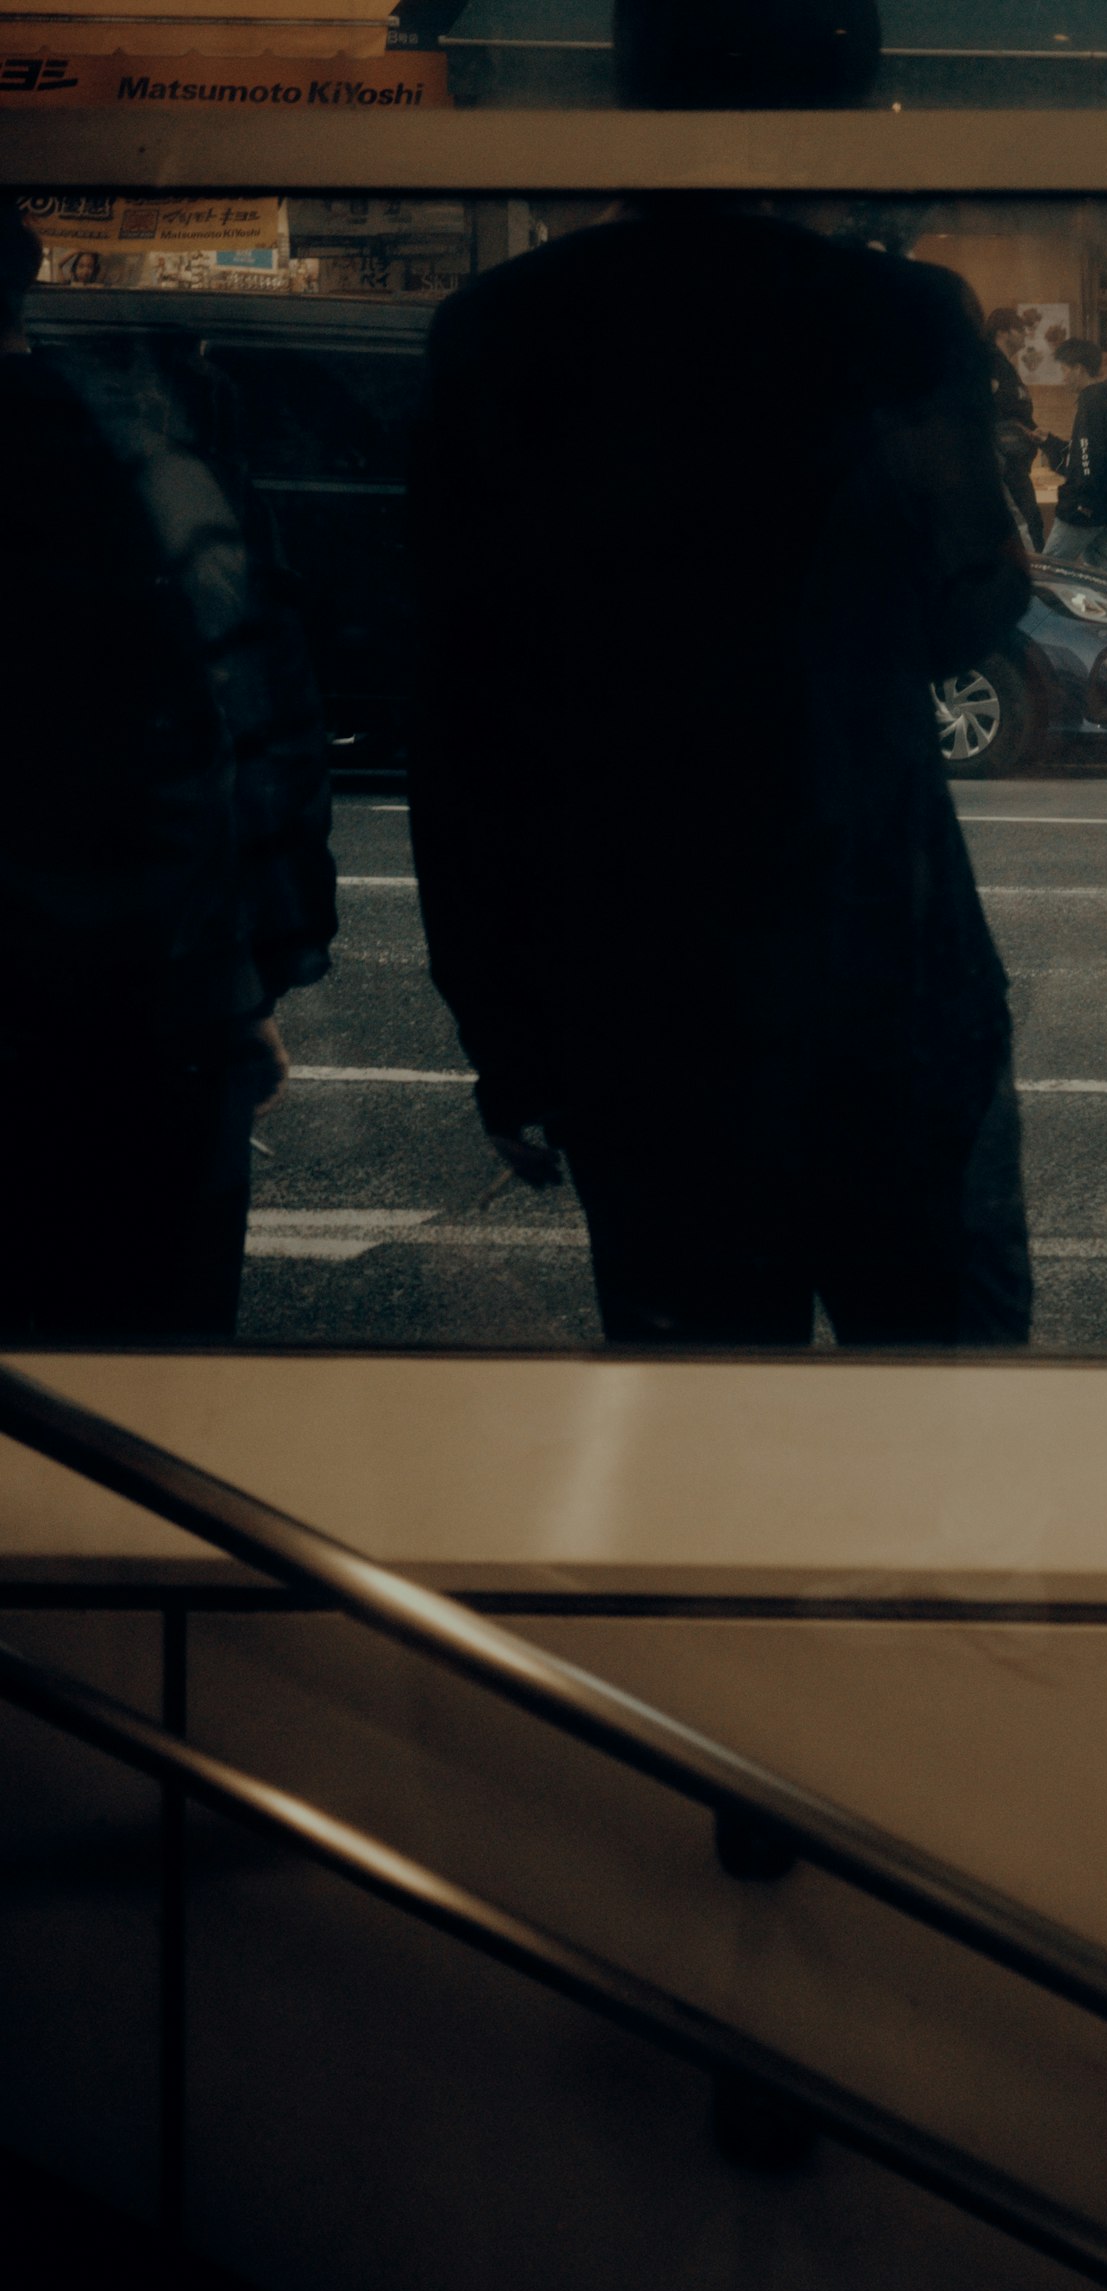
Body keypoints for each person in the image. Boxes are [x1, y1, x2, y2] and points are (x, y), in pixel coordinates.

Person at [405, 0, 1037, 1350]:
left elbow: (461, 719)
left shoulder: (502, 332)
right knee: (945, 1406)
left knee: (698, 1421)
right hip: (884, 963)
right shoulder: (896, 318)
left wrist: (505, 1034)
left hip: (638, 985)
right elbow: (963, 607)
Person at [0, 203, 336, 1344]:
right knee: (153, 1366)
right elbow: (256, 712)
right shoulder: (142, 447)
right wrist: (264, 971)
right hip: (152, 991)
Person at [1040, 336, 1107, 570]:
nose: (1063, 378)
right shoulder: (1106, 400)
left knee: (1048, 571)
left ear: (1079, 369)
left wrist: (1081, 502)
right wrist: (1050, 442)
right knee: (1102, 578)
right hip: (1106, 506)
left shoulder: (1090, 402)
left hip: (1084, 507)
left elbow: (1087, 456)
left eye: (1064, 370)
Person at [982, 305, 1044, 542]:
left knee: (1029, 521)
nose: (1025, 335)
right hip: (1004, 461)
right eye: (1019, 329)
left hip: (1015, 461)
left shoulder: (1005, 366)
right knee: (1027, 524)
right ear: (1003, 332)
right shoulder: (990, 361)